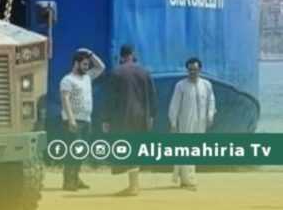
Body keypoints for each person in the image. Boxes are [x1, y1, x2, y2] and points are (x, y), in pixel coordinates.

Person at [101, 44, 158, 196]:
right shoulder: (144, 72)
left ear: (121, 56)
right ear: (133, 54)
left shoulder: (116, 72)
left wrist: (106, 119)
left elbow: (110, 98)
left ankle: (133, 187)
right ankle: (134, 185)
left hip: (122, 118)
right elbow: (152, 95)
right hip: (141, 117)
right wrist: (152, 116)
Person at [60, 48, 105, 191]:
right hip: (74, 121)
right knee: (72, 152)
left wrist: (90, 54)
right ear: (76, 63)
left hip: (86, 120)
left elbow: (101, 67)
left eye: (88, 65)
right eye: (84, 64)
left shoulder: (87, 77)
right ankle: (68, 182)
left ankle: (76, 178)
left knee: (81, 152)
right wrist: (71, 119)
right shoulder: (67, 80)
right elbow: (65, 99)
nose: (87, 67)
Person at [168, 57, 216, 191]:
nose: (192, 72)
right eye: (190, 70)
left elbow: (211, 101)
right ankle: (189, 180)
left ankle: (184, 178)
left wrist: (210, 116)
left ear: (200, 69)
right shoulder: (181, 85)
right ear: (187, 70)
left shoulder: (206, 85)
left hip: (200, 123)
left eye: (195, 69)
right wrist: (173, 122)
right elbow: (174, 105)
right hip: (186, 122)